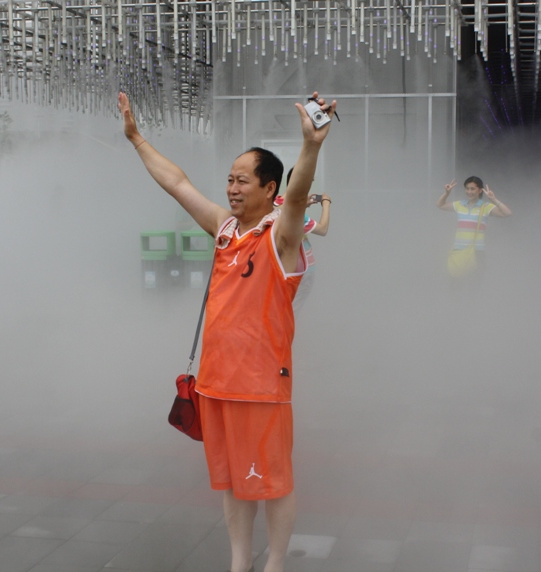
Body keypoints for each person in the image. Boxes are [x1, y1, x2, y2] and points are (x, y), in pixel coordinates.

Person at [118, 90, 336, 572]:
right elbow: (177, 183)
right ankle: (240, 563)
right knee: (235, 482)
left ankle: (274, 563)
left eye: (242, 181)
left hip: (261, 387)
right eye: (229, 180)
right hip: (217, 384)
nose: (231, 189)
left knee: (273, 482)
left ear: (268, 187)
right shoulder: (224, 229)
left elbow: (298, 196)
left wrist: (312, 146)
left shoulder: (281, 237)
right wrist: (137, 140)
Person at [436, 176, 512, 288]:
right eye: (467, 188)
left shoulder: (485, 207)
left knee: (473, 288)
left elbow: (507, 213)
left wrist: (493, 199)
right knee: (455, 288)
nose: (469, 192)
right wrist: (447, 193)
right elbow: (440, 205)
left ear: (480, 190)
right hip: (458, 251)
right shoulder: (460, 204)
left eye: (472, 189)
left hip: (477, 252)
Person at [274, 168, 331, 314]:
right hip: (303, 271)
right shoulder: (296, 214)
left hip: (281, 268)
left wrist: (303, 204)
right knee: (291, 313)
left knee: (281, 308)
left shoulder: (275, 202)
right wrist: (326, 204)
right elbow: (323, 229)